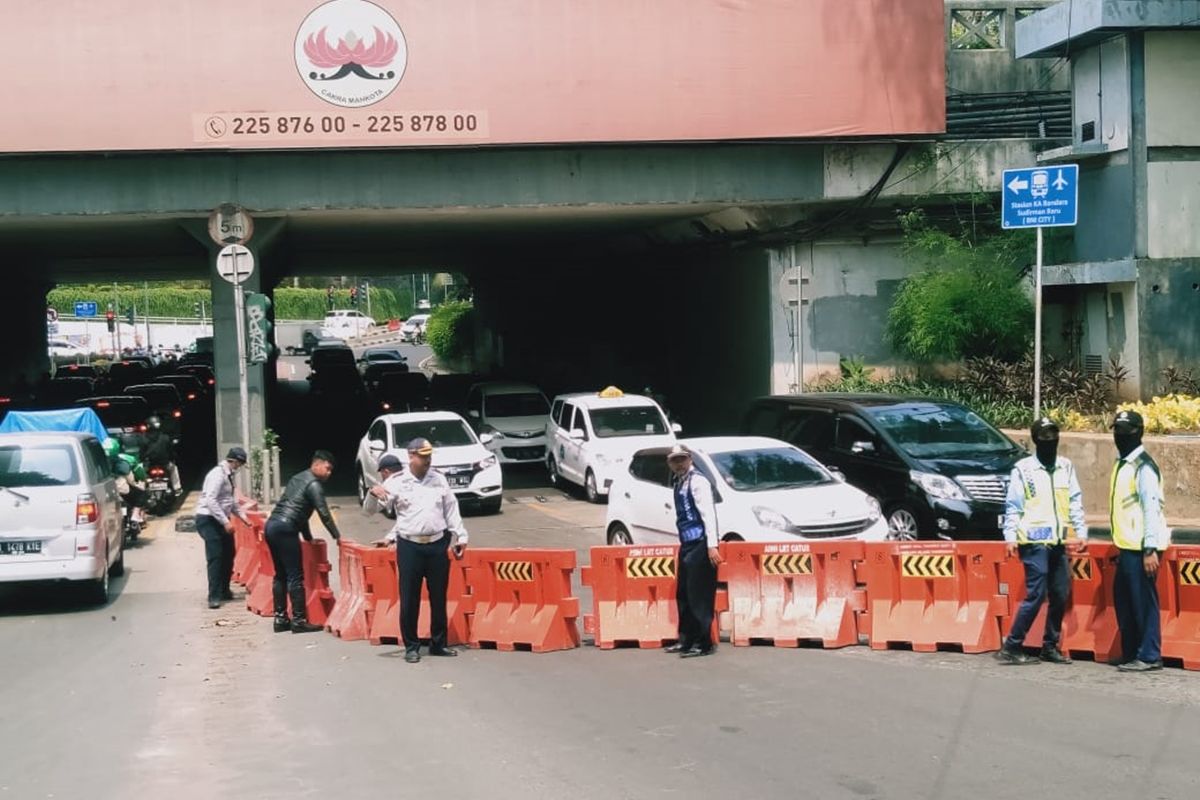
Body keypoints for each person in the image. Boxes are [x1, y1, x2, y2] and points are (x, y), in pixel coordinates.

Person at [366, 439, 468, 664]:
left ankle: (438, 643)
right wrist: (373, 494)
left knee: (438, 596)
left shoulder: (438, 479)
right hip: (410, 546)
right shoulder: (397, 482)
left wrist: (461, 535)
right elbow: (370, 512)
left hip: (437, 544)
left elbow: (451, 509)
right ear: (411, 456)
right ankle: (411, 646)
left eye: (429, 455)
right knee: (410, 598)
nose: (427, 459)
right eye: (423, 456)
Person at [995, 418, 1087, 665]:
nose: (1050, 441)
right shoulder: (1023, 470)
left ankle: (1050, 645)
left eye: (1053, 436)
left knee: (1060, 593)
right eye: (1045, 437)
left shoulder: (1065, 467)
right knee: (1036, 594)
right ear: (1036, 440)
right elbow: (1013, 506)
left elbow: (1075, 501)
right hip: (1033, 543)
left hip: (1058, 541)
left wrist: (1081, 531)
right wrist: (1010, 537)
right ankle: (1013, 645)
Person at [1109, 410, 1169, 672]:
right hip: (1126, 546)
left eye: (1125, 432)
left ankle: (1149, 655)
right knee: (1124, 600)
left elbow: (1150, 509)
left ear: (1138, 433)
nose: (1119, 436)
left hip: (1141, 547)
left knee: (1144, 603)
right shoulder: (1123, 464)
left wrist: (1149, 549)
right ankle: (1132, 650)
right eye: (1117, 431)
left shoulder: (1143, 467)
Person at [264, 450, 342, 633]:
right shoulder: (314, 485)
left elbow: (302, 515)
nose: (329, 473)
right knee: (295, 575)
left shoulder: (297, 478)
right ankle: (299, 620)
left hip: (272, 526)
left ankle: (280, 618)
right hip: (286, 529)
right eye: (327, 468)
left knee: (280, 574)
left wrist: (308, 538)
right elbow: (323, 513)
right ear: (316, 464)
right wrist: (337, 535)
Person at [665, 444, 721, 658]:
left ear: (690, 459)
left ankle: (703, 642)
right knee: (684, 593)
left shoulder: (698, 481)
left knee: (699, 596)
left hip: (700, 543)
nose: (679, 464)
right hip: (686, 544)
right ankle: (686, 639)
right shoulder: (679, 482)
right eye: (675, 460)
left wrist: (712, 546)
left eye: (682, 459)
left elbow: (708, 515)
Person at [194, 447, 249, 609]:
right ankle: (214, 596)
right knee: (216, 557)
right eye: (238, 464)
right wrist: (226, 522)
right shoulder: (217, 475)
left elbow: (230, 501)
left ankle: (225, 589)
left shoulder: (229, 475)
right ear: (233, 461)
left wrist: (244, 518)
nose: (238, 467)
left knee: (229, 553)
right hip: (207, 519)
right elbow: (211, 500)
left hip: (220, 519)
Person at [142, 415, 182, 493]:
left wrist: (142, 460)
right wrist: (173, 457)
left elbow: (141, 452)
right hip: (164, 463)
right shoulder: (165, 437)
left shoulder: (143, 438)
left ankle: (142, 490)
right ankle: (177, 488)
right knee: (174, 469)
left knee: (140, 473)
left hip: (149, 464)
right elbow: (170, 451)